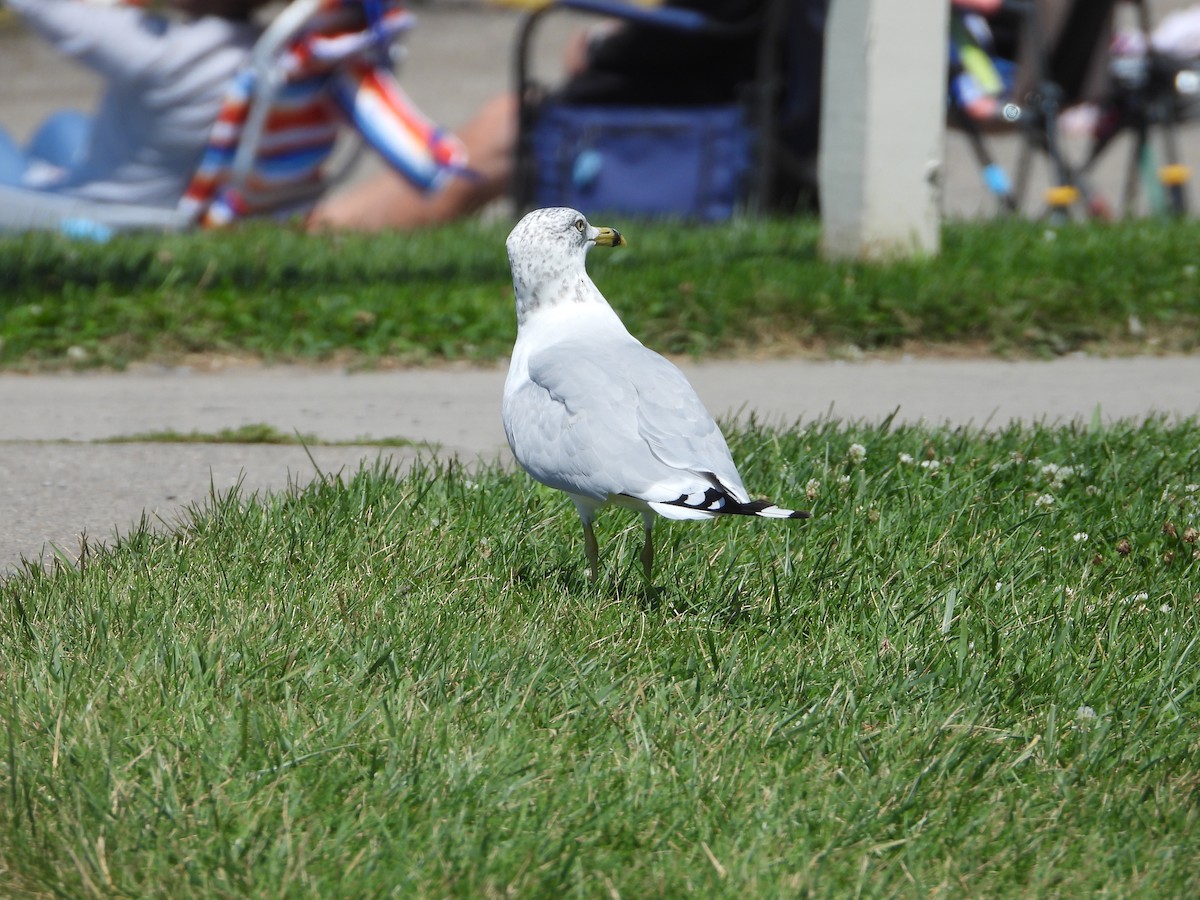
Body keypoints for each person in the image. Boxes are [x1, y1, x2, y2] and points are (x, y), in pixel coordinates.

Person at [307, 0, 776, 232]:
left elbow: (711, 26)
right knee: (502, 125)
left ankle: (323, 229)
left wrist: (600, 47)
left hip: (694, 105)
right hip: (722, 87)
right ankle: (321, 221)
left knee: (499, 134)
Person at [0, 0, 272, 210]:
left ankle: (34, 179)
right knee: (63, 124)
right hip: (171, 193)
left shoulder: (159, 51)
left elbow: (41, 7)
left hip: (101, 209)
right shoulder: (267, 49)